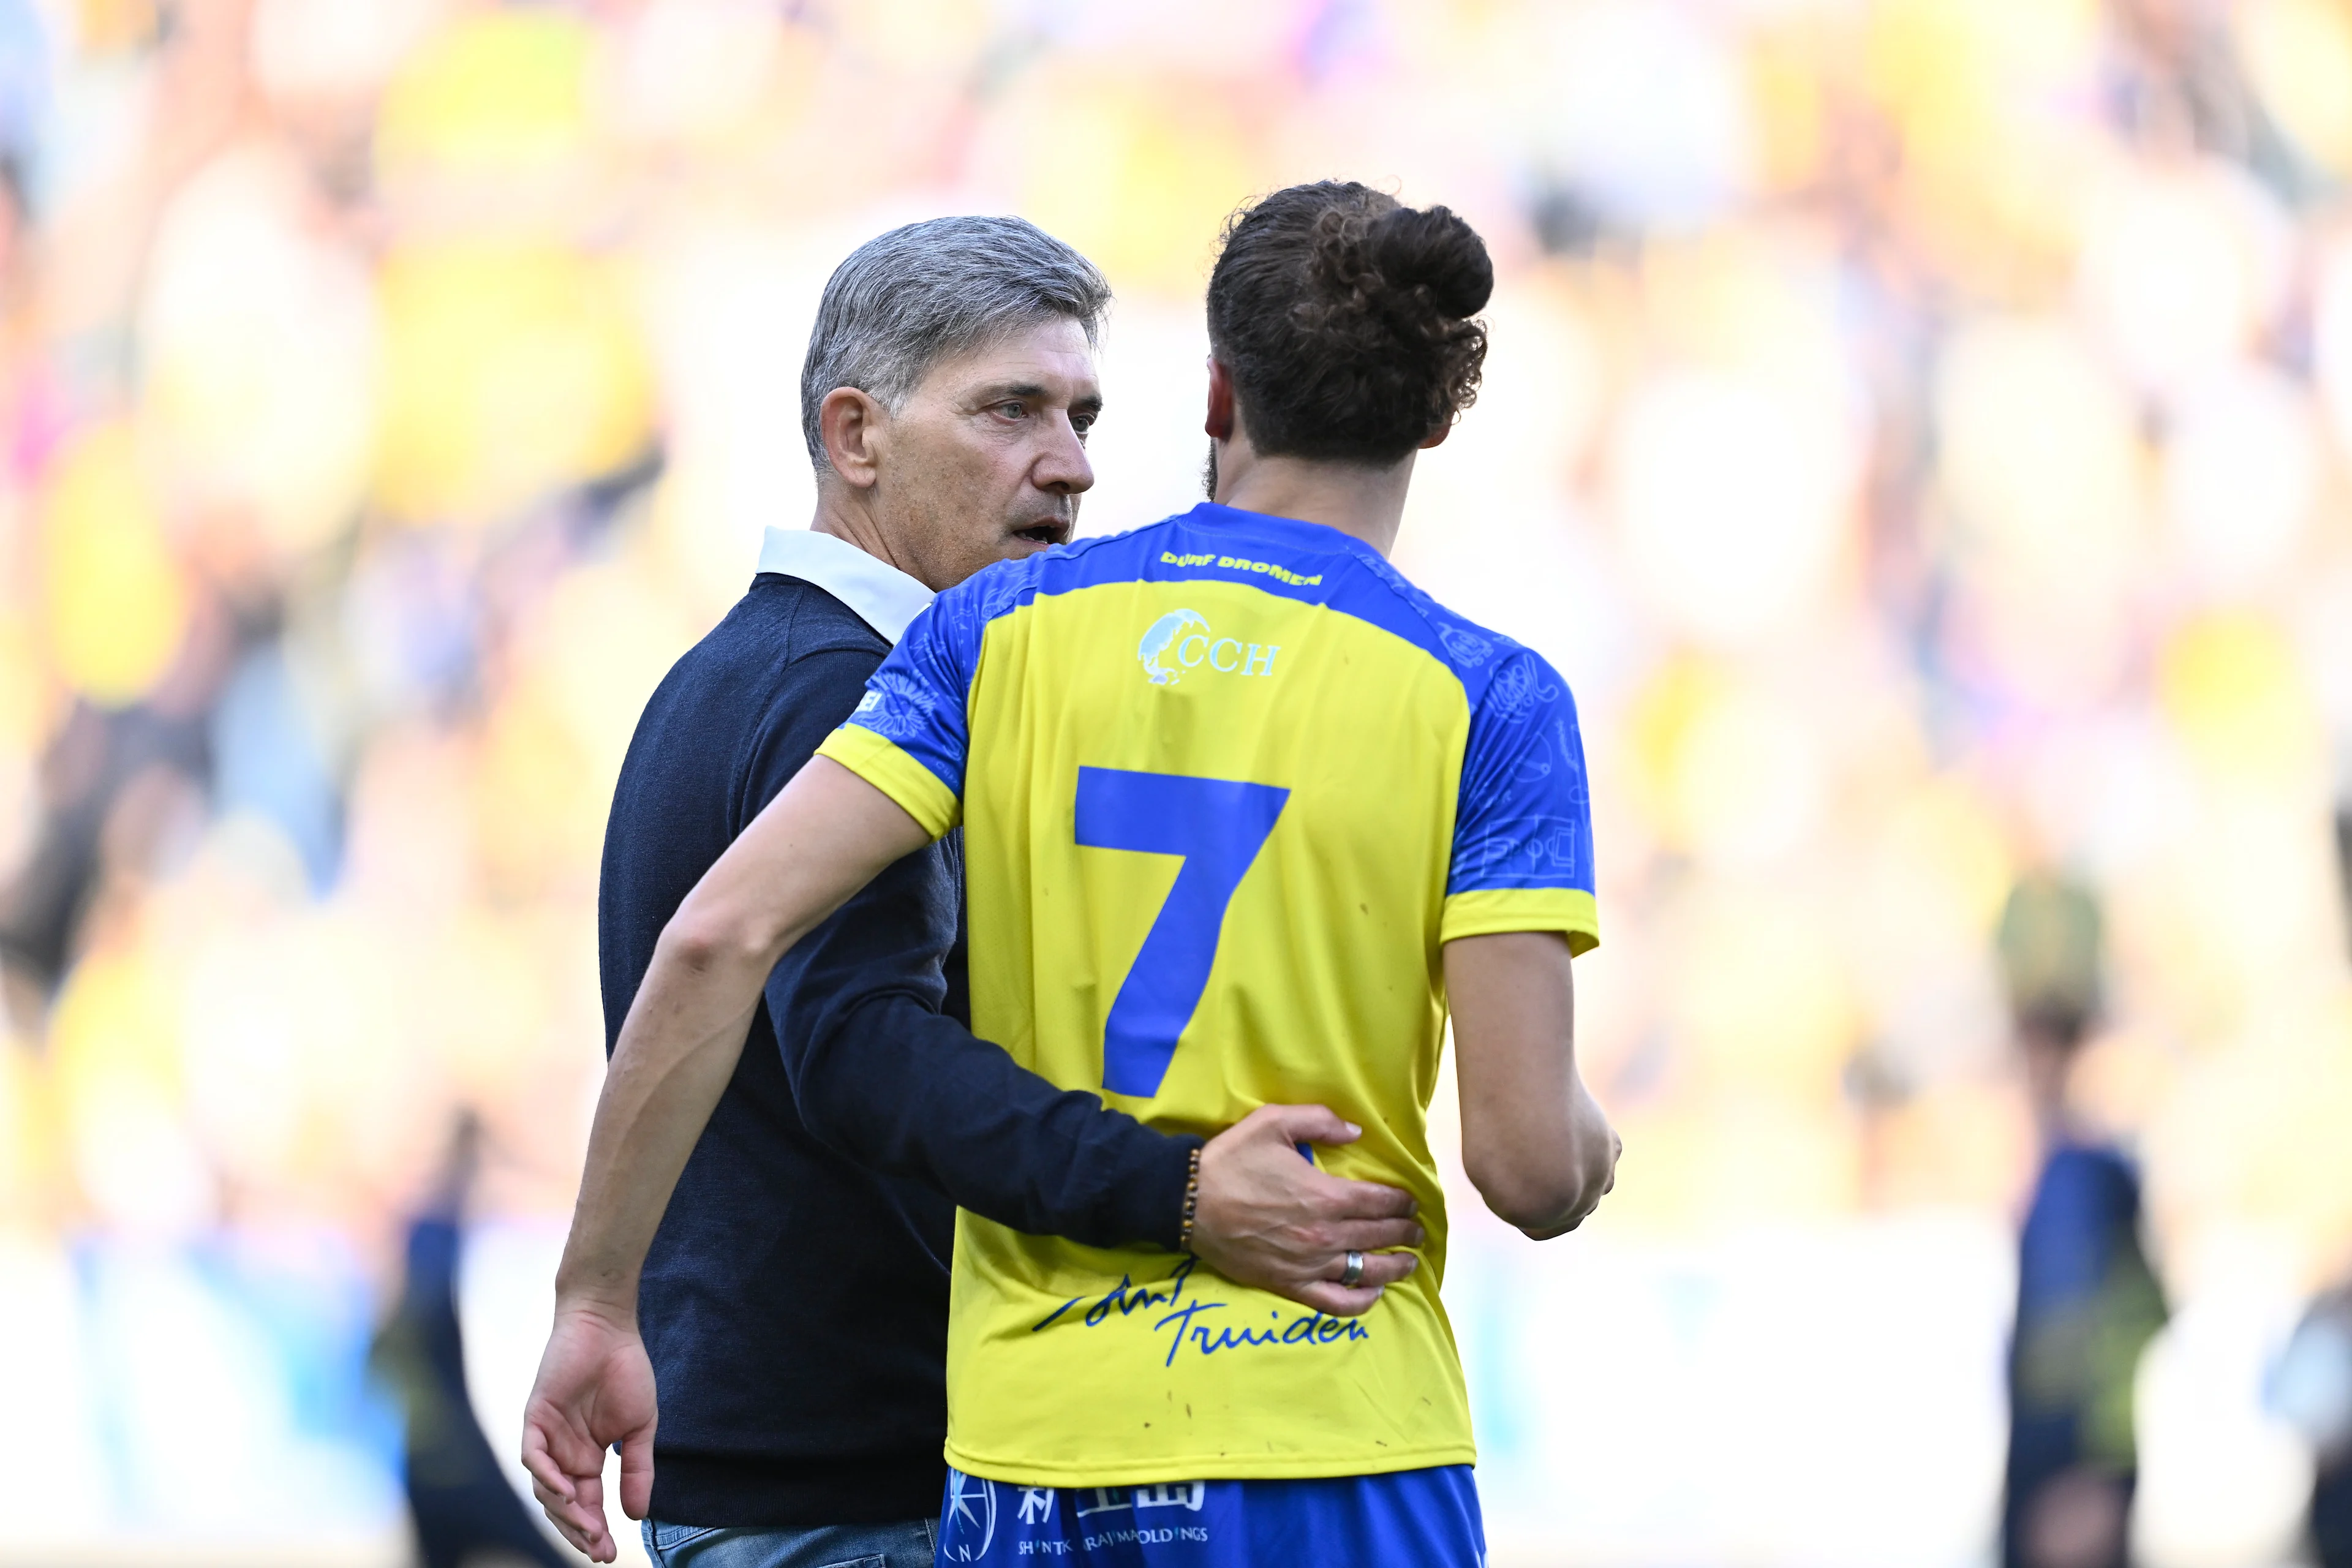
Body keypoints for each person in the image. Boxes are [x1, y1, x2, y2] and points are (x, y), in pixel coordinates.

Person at [579, 181, 1621, 1565]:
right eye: (1011, 411)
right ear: (1436, 419)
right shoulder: (1483, 691)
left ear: (1214, 395)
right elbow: (1528, 1162)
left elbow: (721, 937)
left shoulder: (981, 642)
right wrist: (1189, 1188)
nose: (1065, 464)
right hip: (1292, 1413)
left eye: (1079, 416)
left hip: (1021, 1446)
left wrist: (594, 1293)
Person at [1997, 873, 2166, 1568]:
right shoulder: (2050, 1170)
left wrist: (2094, 1473)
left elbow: (2130, 1323)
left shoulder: (2087, 1177)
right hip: (2044, 1473)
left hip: (2069, 1479)